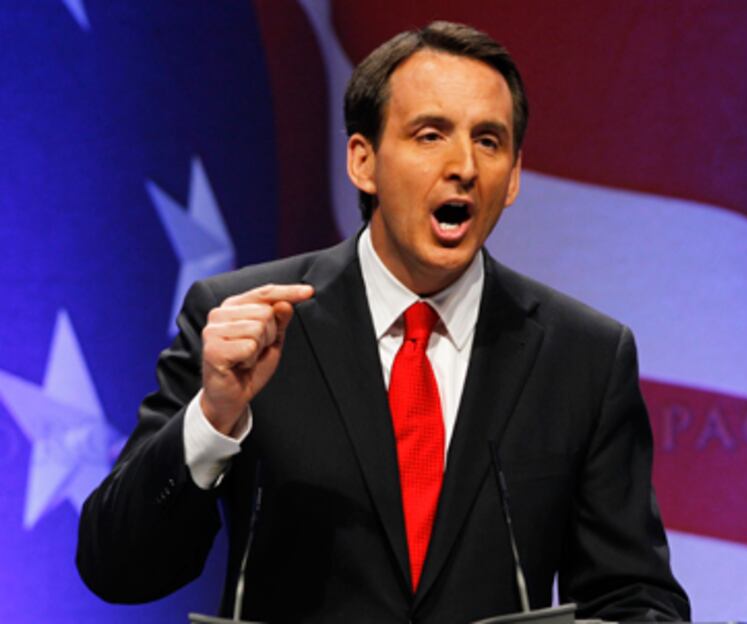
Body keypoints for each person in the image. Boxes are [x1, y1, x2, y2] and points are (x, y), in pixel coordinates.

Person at [77, 21, 690, 623]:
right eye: (430, 135)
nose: (465, 166)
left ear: (513, 178)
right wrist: (213, 418)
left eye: (489, 141)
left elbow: (637, 598)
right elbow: (117, 568)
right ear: (363, 161)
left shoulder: (582, 356)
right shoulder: (249, 323)